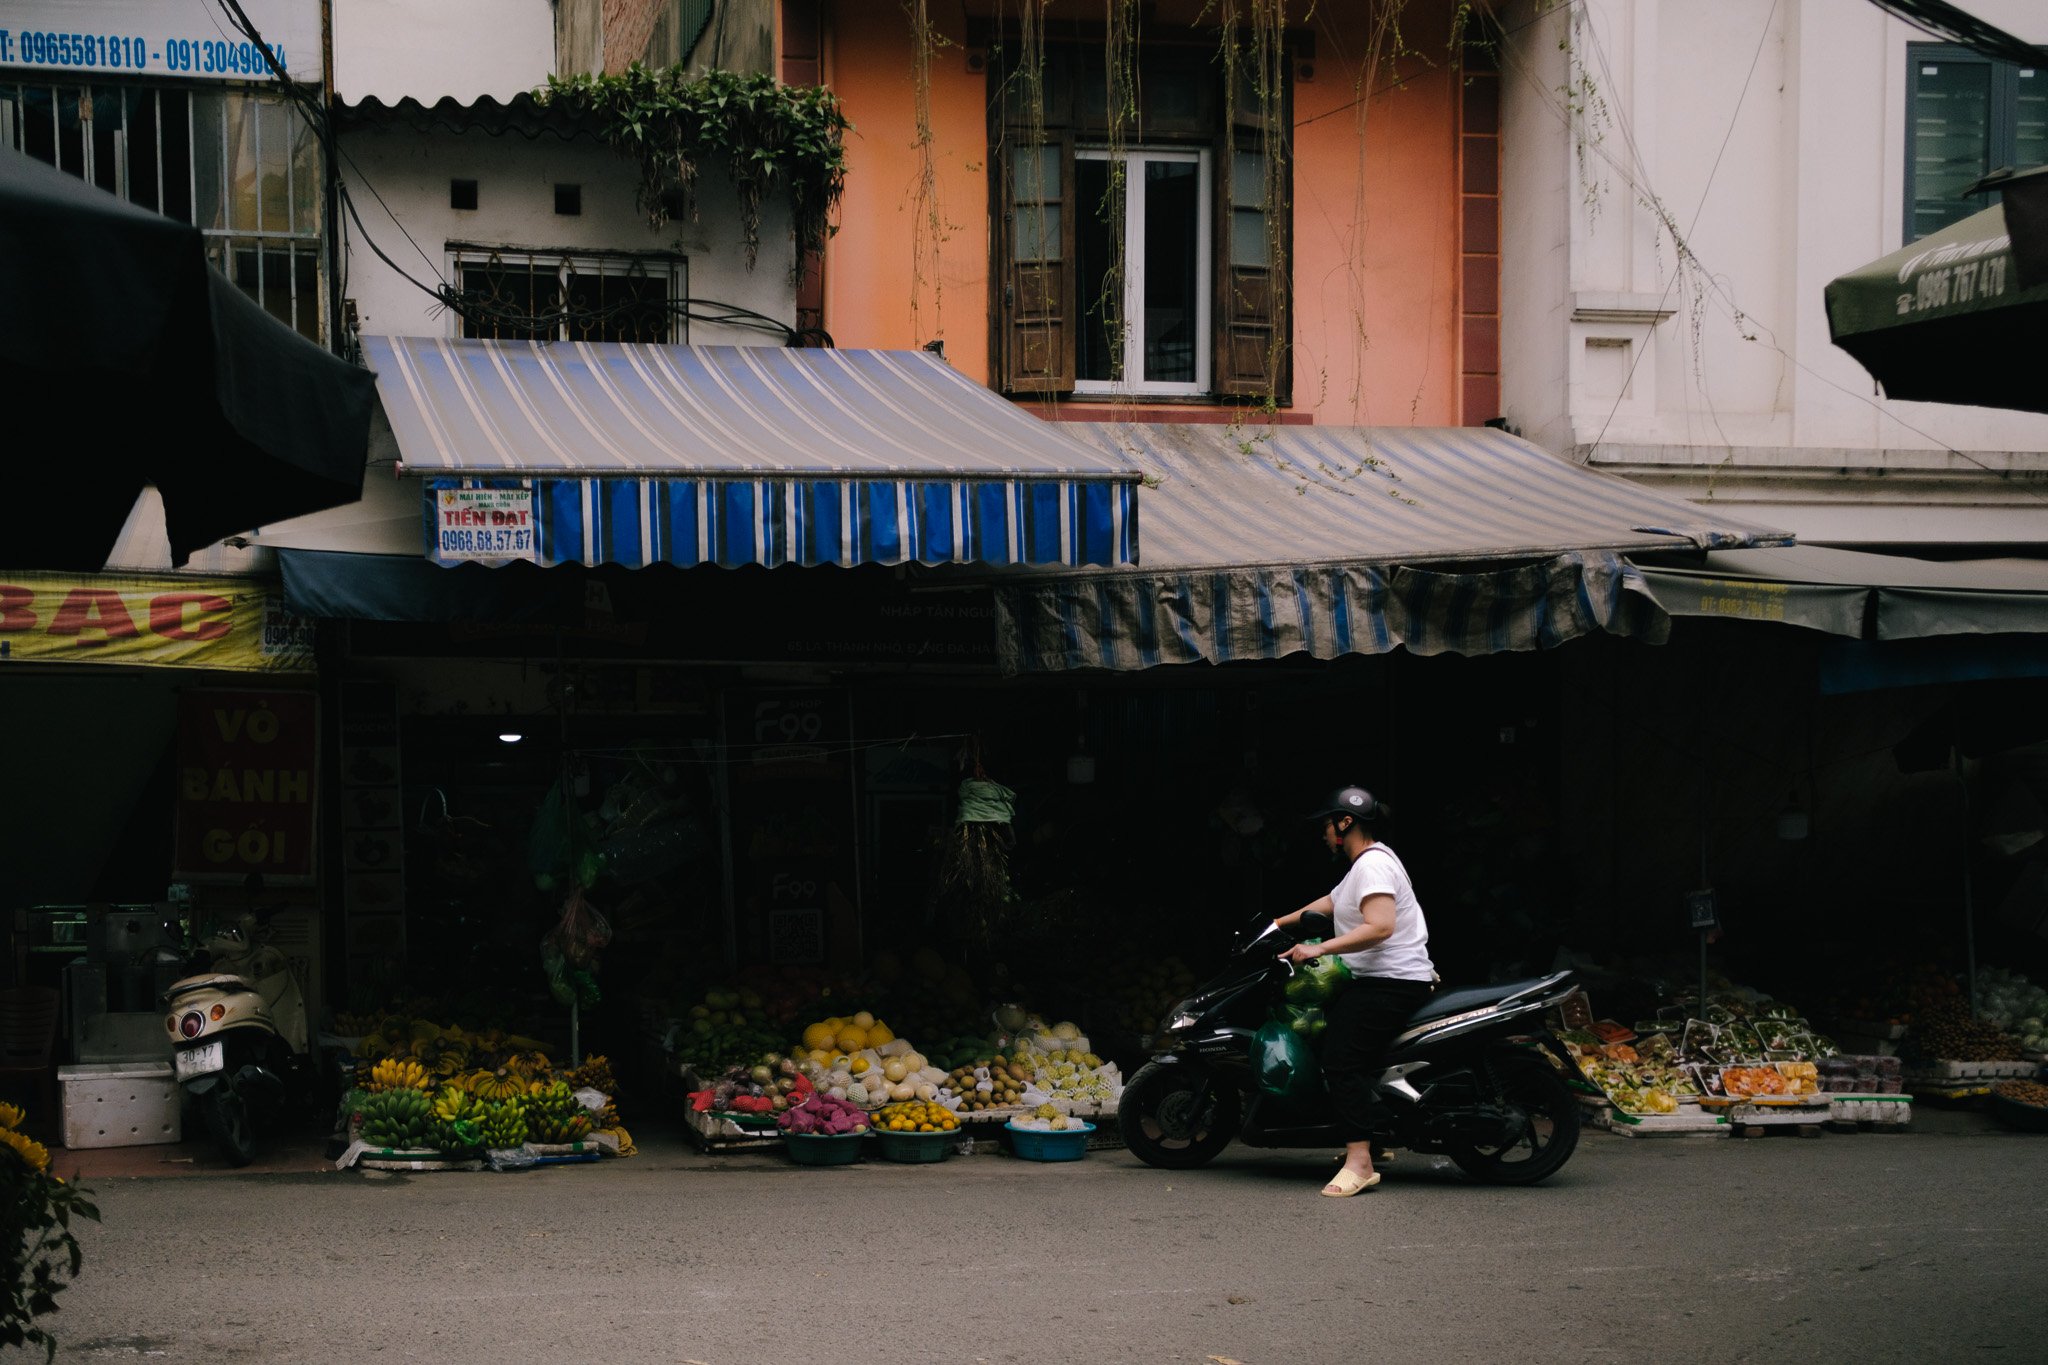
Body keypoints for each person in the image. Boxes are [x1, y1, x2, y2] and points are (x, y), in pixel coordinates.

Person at [1274, 785, 1436, 1198]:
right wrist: (1280, 924)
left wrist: (1319, 947)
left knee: (1340, 1060)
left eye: (1327, 825)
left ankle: (1361, 1162)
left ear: (1345, 823)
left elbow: (1380, 926)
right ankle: (1376, 1138)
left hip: (1391, 982)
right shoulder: (1367, 863)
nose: (1323, 834)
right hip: (1383, 980)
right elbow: (1332, 901)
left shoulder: (1372, 867)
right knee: (1341, 1043)